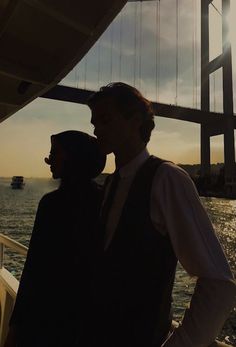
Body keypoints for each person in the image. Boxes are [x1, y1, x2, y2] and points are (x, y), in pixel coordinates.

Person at [87, 82, 236, 347]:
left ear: (135, 121)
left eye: (105, 119)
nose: (96, 129)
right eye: (94, 122)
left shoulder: (167, 179)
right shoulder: (111, 184)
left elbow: (219, 283)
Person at [5, 130, 106, 347]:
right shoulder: (106, 200)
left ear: (72, 157)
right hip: (87, 324)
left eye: (54, 152)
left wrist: (15, 327)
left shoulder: (52, 204)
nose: (48, 159)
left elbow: (34, 269)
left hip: (46, 321)